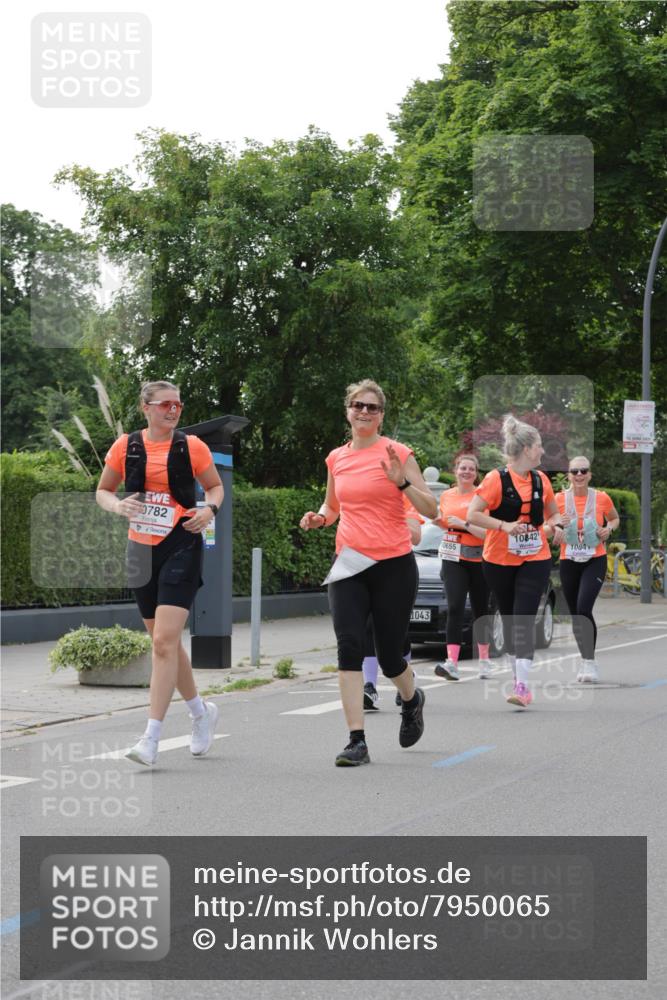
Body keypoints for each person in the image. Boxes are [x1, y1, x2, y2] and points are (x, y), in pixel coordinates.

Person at [299, 379, 437, 765]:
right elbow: (332, 506)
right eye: (357, 405)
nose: (363, 411)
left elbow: (431, 509)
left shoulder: (397, 453)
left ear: (381, 415)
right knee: (349, 646)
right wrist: (319, 518)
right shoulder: (336, 458)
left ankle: (411, 698)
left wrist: (402, 482)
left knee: (390, 657)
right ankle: (356, 740)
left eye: (371, 407)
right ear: (348, 411)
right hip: (349, 564)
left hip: (393, 565)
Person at [96, 380, 224, 766]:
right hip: (140, 549)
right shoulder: (126, 446)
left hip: (181, 543)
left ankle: (150, 738)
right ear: (146, 407)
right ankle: (201, 713)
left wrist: (209, 510)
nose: (173, 410)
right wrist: (117, 506)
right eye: (165, 404)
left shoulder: (192, 447)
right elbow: (103, 490)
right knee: (162, 643)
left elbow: (214, 487)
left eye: (178, 405)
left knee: (165, 643)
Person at [467, 415, 564, 708]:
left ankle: (522, 687)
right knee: (509, 619)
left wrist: (557, 526)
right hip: (498, 560)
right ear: (525, 449)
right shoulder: (495, 479)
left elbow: (553, 514)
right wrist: (504, 526)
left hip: (535, 557)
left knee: (523, 617)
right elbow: (473, 515)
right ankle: (517, 677)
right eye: (539, 445)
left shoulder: (541, 480)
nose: (543, 451)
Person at [550, 457, 619, 683]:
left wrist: (608, 529)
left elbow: (614, 519)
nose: (579, 475)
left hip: (594, 559)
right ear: (569, 475)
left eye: (583, 471)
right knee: (575, 614)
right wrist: (557, 526)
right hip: (569, 559)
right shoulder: (559, 499)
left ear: (590, 474)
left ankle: (590, 662)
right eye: (574, 471)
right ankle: (585, 659)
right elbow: (547, 524)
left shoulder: (601, 497)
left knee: (583, 608)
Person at [434, 454, 490, 681]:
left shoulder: (482, 496)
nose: (466, 472)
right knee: (455, 606)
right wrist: (439, 523)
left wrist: (465, 524)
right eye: (463, 468)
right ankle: (452, 663)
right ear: (455, 471)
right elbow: (445, 523)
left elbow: (487, 534)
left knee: (480, 609)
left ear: (476, 474)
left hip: (479, 559)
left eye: (471, 469)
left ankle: (484, 660)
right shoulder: (446, 495)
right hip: (452, 556)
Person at [363, 499, 423, 711]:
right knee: (368, 625)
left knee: (396, 630)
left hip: (396, 570)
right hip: (364, 566)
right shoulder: (362, 495)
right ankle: (369, 686)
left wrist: (389, 517)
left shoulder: (403, 496)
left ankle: (405, 677)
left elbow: (416, 537)